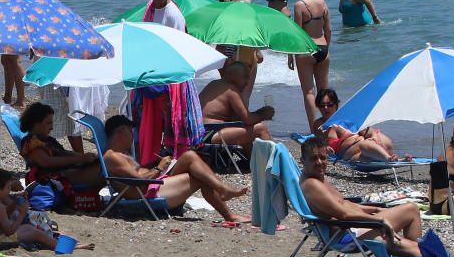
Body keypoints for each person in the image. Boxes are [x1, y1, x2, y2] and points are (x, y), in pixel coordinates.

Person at [299, 137, 454, 257]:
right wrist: (379, 221)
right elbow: (343, 214)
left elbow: (345, 205)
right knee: (411, 215)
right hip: (345, 234)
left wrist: (372, 210)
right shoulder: (313, 185)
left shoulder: (319, 180)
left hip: (352, 227)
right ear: (303, 161)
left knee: (410, 216)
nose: (319, 163)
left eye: (322, 158)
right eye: (314, 159)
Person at [103, 115, 250, 223]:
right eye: (130, 131)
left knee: (189, 156)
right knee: (200, 177)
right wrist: (159, 168)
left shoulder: (122, 153)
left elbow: (138, 173)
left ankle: (223, 191)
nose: (133, 134)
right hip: (145, 192)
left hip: (152, 185)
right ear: (120, 132)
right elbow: (139, 181)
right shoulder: (112, 157)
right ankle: (228, 211)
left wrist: (159, 164)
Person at [37, 0, 88, 153]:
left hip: (44, 65)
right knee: (59, 115)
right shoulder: (52, 6)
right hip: (54, 67)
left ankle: (74, 155)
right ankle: (48, 155)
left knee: (59, 114)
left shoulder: (39, 2)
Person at [0, 167, 93, 250]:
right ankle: (64, 247)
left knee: (27, 227)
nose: (9, 191)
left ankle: (56, 243)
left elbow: (2, 217)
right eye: (7, 188)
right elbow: (8, 231)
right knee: (36, 234)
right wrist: (22, 214)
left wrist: (15, 202)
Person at [19, 102, 104, 189]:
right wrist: (80, 159)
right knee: (105, 168)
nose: (52, 128)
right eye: (49, 123)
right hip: (55, 179)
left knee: (103, 164)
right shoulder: (32, 142)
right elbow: (46, 162)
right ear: (36, 123)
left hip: (66, 173)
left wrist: (85, 157)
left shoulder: (46, 139)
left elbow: (62, 153)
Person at [311, 89, 404, 162]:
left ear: (336, 105)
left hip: (370, 145)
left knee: (366, 144)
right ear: (318, 106)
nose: (326, 108)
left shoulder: (346, 119)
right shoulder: (319, 125)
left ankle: (388, 158)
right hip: (357, 154)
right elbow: (319, 146)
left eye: (329, 104)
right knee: (361, 153)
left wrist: (374, 137)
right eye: (322, 105)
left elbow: (369, 131)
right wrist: (326, 149)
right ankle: (392, 159)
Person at [290, 0, 332, 128]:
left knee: (309, 92)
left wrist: (291, 55)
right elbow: (328, 30)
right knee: (324, 91)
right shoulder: (323, 3)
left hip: (307, 50)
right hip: (323, 48)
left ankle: (314, 128)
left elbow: (298, 33)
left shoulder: (299, 5)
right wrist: (327, 48)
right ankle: (328, 125)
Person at [199, 63, 274, 148]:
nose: (247, 82)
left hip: (199, 132)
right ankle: (272, 161)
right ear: (233, 76)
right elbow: (248, 119)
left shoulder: (214, 84)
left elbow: (239, 118)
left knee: (245, 131)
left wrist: (258, 114)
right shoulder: (231, 90)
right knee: (261, 129)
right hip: (211, 134)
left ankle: (248, 161)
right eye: (245, 77)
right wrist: (263, 114)